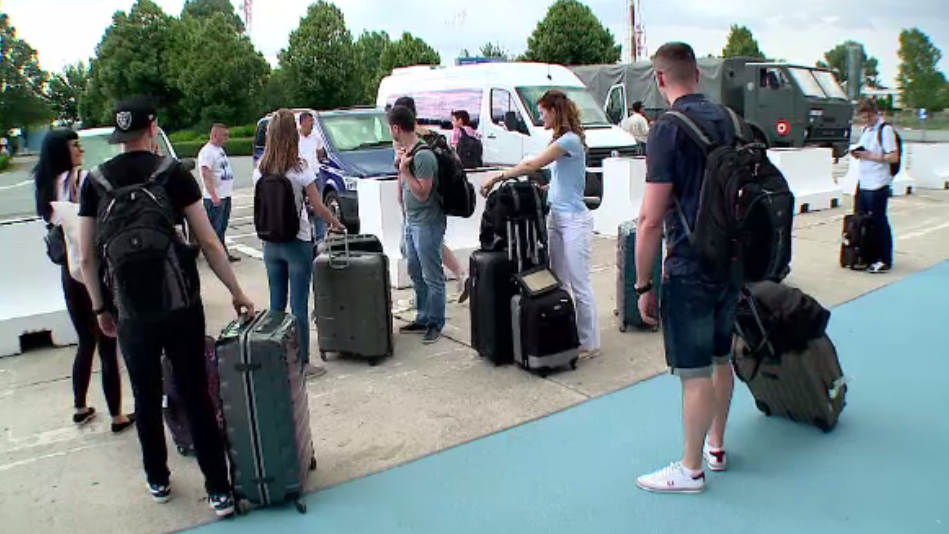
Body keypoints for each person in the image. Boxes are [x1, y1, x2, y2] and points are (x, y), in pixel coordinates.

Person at [78, 96, 255, 516]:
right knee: (195, 394)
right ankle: (219, 491)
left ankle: (157, 477)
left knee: (145, 394)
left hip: (130, 312)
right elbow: (209, 241)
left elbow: (85, 257)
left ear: (119, 136)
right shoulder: (172, 174)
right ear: (152, 127)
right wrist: (236, 291)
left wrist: (101, 309)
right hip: (180, 306)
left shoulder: (96, 182)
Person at [633, 42, 738, 494]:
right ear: (697, 74)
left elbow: (650, 219)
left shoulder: (667, 130)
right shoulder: (732, 121)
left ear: (660, 79)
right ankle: (716, 445)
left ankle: (690, 468)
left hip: (690, 264)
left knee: (693, 371)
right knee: (721, 356)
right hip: (732, 260)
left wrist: (643, 283)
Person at [480, 89, 601, 361]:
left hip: (573, 221)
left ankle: (589, 341)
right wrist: (547, 188)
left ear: (555, 111)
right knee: (558, 279)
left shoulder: (569, 141)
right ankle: (569, 334)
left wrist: (498, 177)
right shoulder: (561, 141)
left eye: (543, 111)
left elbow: (533, 163)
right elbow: (559, 176)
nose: (540, 116)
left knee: (579, 282)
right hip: (557, 216)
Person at [33, 130, 135, 434]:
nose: (80, 149)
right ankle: (117, 415)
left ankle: (80, 406)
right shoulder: (82, 179)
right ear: (64, 152)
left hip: (68, 268)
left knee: (85, 340)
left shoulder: (45, 185)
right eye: (74, 145)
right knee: (107, 340)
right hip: (91, 268)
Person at [254, 109, 345, 378]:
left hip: (270, 242)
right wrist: (335, 223)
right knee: (299, 306)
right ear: (292, 135)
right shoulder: (300, 167)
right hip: (297, 240)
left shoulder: (260, 169)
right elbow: (317, 206)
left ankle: (276, 360)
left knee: (276, 305)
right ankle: (303, 363)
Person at [392, 96, 469, 303]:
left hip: (419, 204)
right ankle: (459, 274)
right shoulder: (431, 135)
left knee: (421, 252)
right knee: (429, 246)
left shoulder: (408, 140)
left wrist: (401, 191)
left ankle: (426, 300)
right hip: (433, 204)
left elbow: (404, 172)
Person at [389, 105, 447, 344]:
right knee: (414, 268)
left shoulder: (422, 156)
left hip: (427, 221)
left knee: (432, 273)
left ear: (396, 127)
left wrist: (405, 170)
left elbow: (423, 193)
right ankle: (423, 315)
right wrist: (400, 167)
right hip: (412, 220)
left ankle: (435, 321)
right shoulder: (407, 152)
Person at [853, 98, 898, 274]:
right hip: (864, 182)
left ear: (874, 114)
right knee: (863, 220)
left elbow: (893, 157)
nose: (865, 120)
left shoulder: (885, 131)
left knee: (879, 221)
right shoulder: (866, 130)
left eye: (867, 117)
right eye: (862, 118)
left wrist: (869, 156)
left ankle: (884, 258)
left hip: (878, 183)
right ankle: (867, 254)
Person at [198, 124, 239, 262]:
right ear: (215, 135)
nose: (226, 138)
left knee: (222, 227)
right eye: (224, 135)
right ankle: (216, 257)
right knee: (215, 228)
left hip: (225, 194)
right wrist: (214, 195)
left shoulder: (219, 150)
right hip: (215, 197)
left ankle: (222, 253)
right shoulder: (207, 152)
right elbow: (205, 172)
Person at [298, 111, 329, 245]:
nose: (312, 124)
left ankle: (320, 237)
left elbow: (320, 152)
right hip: (300, 175)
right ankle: (306, 236)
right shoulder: (295, 137)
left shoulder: (315, 136)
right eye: (310, 121)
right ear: (302, 122)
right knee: (301, 207)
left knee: (318, 205)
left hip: (315, 174)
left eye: (313, 122)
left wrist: (317, 159)